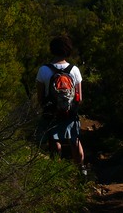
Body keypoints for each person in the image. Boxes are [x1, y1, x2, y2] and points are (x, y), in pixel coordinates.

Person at [35, 35, 85, 166]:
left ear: (52, 49)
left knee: (54, 141)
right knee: (75, 141)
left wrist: (48, 108)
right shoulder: (74, 70)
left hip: (51, 113)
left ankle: (56, 172)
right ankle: (81, 172)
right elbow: (79, 97)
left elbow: (40, 97)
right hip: (70, 113)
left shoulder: (43, 70)